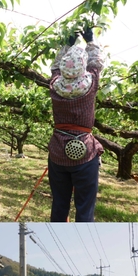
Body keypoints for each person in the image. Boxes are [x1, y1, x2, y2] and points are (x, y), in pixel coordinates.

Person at [47, 28, 104, 222]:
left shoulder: (55, 85)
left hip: (57, 151)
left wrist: (67, 45)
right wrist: (91, 41)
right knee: (85, 208)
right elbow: (96, 63)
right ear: (82, 67)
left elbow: (55, 67)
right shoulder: (90, 84)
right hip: (85, 153)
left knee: (59, 204)